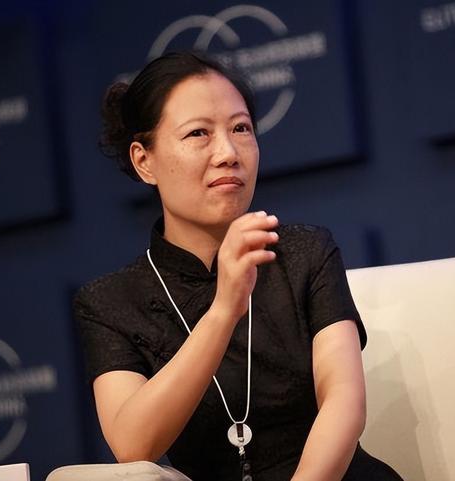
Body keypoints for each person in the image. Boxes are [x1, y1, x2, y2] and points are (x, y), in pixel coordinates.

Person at [74, 51, 403, 481]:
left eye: (241, 128)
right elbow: (134, 443)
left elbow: (344, 401)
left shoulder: (304, 253)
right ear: (144, 161)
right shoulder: (111, 302)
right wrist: (225, 307)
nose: (228, 152)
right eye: (198, 133)